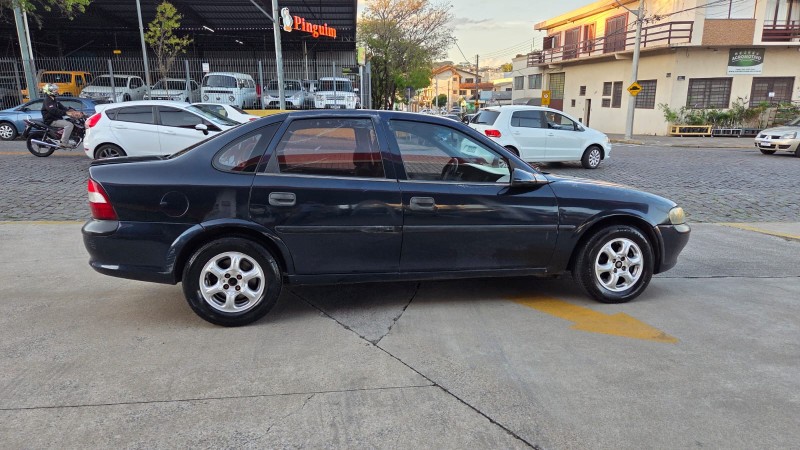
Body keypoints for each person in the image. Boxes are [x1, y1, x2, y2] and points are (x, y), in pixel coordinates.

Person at [40, 83, 78, 148]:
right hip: (51, 120)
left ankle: (69, 138)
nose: (56, 91)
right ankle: (63, 142)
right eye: (54, 90)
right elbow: (53, 111)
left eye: (56, 90)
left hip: (56, 118)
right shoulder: (48, 100)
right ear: (49, 91)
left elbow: (62, 108)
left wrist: (72, 111)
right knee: (69, 125)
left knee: (72, 121)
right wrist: (66, 113)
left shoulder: (54, 100)